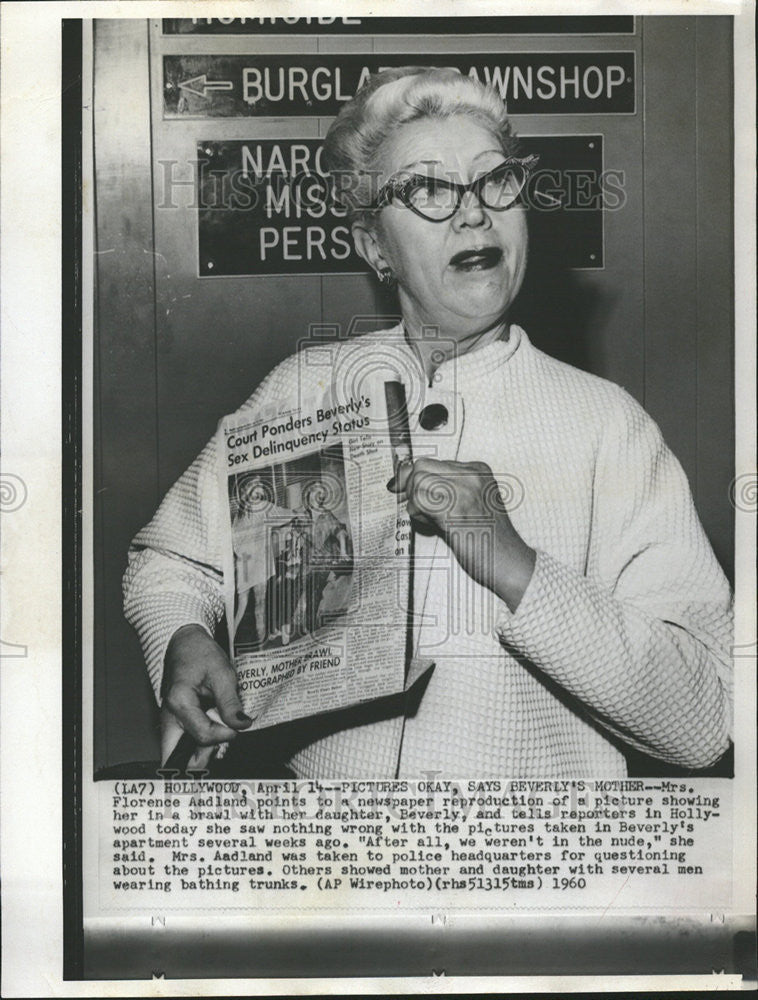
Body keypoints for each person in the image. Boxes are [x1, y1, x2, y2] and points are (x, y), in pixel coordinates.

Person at [124, 67, 732, 778]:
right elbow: (170, 562)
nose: (474, 214)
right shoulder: (305, 390)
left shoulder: (608, 427)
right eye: (427, 190)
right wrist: (185, 634)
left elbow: (705, 721)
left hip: (519, 866)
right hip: (326, 867)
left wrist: (516, 566)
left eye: (493, 180)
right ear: (375, 247)